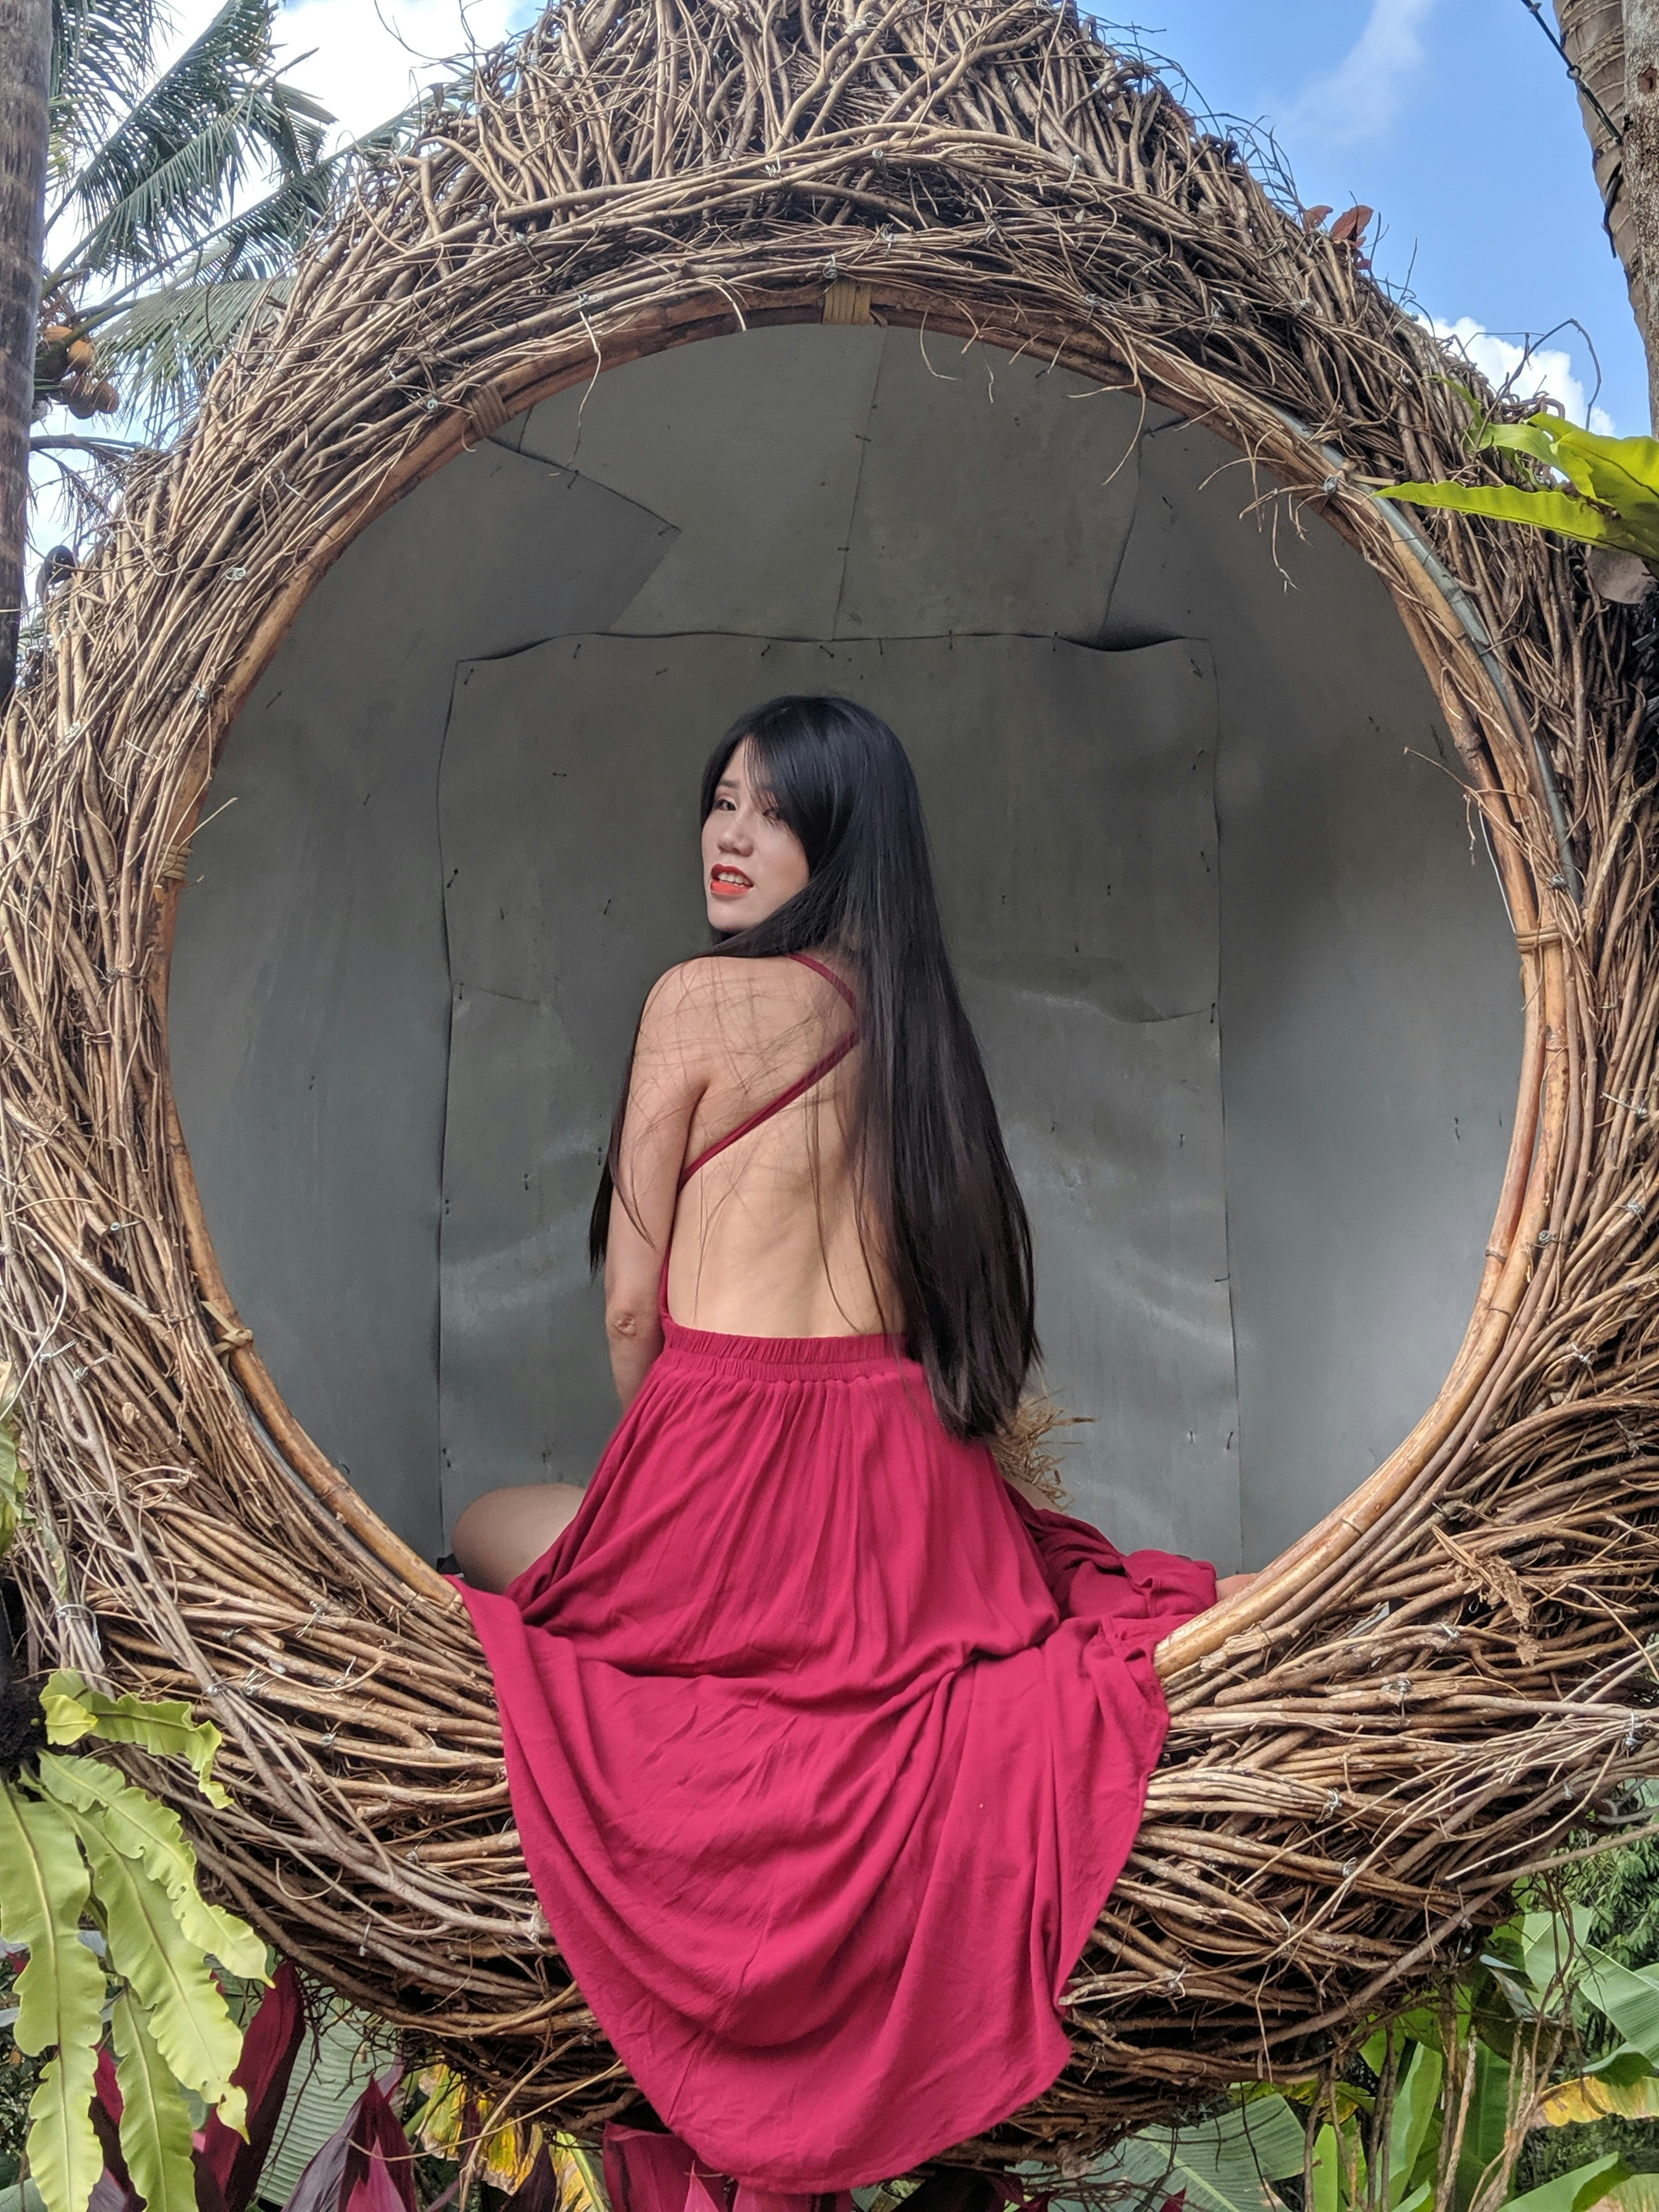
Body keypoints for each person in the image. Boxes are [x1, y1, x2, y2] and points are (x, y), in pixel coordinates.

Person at [453, 696, 1247, 2199]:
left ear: (842, 835)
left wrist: (675, 1493)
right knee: (1029, 1625)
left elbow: (629, 1307)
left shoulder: (698, 1000)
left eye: (773, 809)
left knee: (489, 1528)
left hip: (728, 1464)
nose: (730, 833)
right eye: (721, 800)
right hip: (914, 1497)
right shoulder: (916, 1022)